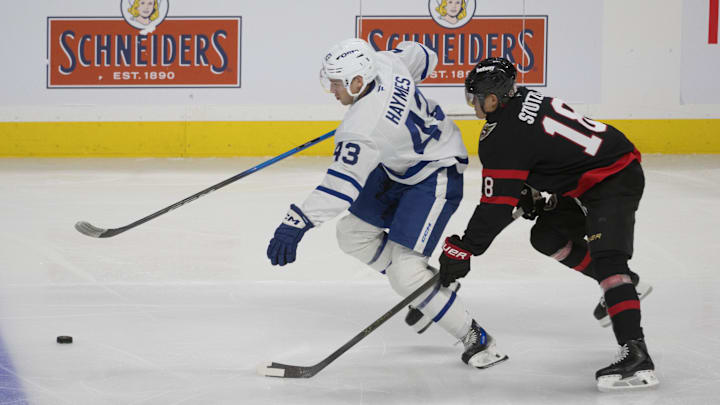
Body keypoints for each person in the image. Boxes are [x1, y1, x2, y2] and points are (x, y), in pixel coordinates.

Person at [266, 38, 508, 369]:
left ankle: (475, 337)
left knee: (405, 275)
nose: (332, 90)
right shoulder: (384, 62)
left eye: (337, 83)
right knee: (352, 234)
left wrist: (297, 222)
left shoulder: (361, 128)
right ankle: (427, 293)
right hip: (398, 166)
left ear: (357, 81)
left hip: (437, 168)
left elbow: (341, 186)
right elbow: (426, 56)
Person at [436, 57, 659, 391]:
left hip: (613, 178)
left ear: (493, 98)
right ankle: (627, 286)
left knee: (610, 258)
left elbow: (496, 207)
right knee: (547, 235)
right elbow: (546, 153)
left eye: (475, 98)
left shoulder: (502, 135)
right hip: (589, 177)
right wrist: (528, 191)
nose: (473, 105)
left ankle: (637, 355)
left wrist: (465, 248)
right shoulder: (527, 98)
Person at [515, 184, 653, 327]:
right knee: (546, 237)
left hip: (603, 184)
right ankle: (622, 282)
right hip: (575, 185)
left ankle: (620, 285)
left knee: (603, 236)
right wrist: (528, 188)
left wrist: (531, 185)